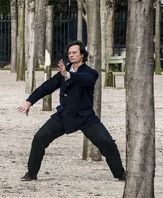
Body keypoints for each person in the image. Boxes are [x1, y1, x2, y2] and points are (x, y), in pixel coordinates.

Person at [17, 40, 126, 181]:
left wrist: (68, 75)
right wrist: (29, 102)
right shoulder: (63, 72)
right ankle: (31, 173)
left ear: (82, 55)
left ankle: (120, 174)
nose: (71, 55)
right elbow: (47, 87)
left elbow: (86, 80)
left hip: (86, 117)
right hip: (64, 115)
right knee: (39, 138)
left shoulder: (90, 73)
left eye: (74, 52)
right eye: (69, 53)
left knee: (107, 143)